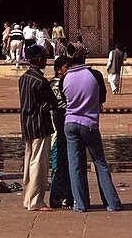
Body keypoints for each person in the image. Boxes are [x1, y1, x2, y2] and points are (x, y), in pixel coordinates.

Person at [62, 43, 123, 212]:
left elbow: (65, 99)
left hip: (70, 123)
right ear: (84, 57)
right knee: (100, 163)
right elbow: (102, 98)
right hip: (89, 123)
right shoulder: (94, 75)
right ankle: (112, 203)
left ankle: (80, 204)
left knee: (75, 165)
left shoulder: (65, 77)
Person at [18, 43, 56, 211]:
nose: (46, 61)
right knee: (39, 165)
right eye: (44, 58)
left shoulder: (24, 78)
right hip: (40, 125)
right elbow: (54, 102)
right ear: (39, 59)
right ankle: (36, 201)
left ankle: (28, 199)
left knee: (29, 163)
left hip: (27, 125)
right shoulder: (40, 81)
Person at [48, 55, 74, 209]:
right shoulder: (57, 84)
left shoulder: (62, 83)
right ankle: (58, 196)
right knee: (59, 163)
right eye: (66, 67)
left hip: (63, 127)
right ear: (59, 70)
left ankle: (64, 196)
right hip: (58, 129)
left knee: (65, 163)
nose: (68, 70)